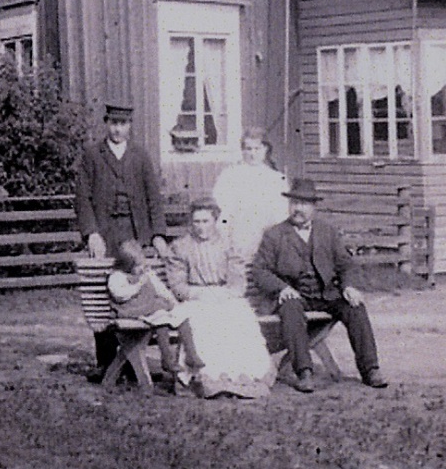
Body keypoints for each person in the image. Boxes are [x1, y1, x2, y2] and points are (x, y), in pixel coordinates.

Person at [251, 178, 388, 393]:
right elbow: (259, 271)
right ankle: (304, 372)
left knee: (355, 307)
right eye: (295, 203)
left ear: (314, 207)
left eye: (304, 204)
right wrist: (282, 288)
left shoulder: (328, 232)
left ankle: (370, 369)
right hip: (293, 294)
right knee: (290, 308)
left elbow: (345, 265)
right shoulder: (275, 235)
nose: (298, 209)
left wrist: (348, 286)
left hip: (326, 295)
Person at [75, 103, 169, 373]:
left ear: (130, 126)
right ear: (106, 124)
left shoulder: (140, 156)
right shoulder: (92, 155)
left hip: (134, 232)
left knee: (136, 286)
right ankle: (106, 362)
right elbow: (82, 198)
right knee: (104, 291)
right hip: (104, 233)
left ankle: (131, 358)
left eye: (123, 123)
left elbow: (153, 198)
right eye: (113, 123)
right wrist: (91, 233)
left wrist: (158, 235)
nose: (118, 129)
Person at [163, 198, 275, 399]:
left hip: (225, 296)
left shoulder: (228, 245)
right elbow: (178, 286)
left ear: (215, 221)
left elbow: (238, 282)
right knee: (204, 322)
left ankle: (241, 378)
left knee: (240, 317)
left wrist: (224, 294)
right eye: (196, 222)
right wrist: (201, 294)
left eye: (206, 221)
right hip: (196, 299)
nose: (201, 227)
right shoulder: (181, 247)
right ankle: (209, 379)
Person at [106, 239, 191, 391]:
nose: (141, 269)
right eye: (137, 266)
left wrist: (172, 301)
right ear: (127, 265)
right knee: (159, 313)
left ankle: (177, 357)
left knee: (167, 315)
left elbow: (160, 289)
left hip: (146, 309)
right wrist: (139, 284)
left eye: (141, 264)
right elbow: (120, 295)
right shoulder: (117, 277)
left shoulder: (146, 273)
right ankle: (167, 359)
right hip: (129, 310)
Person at [211, 128, 287, 263]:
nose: (252, 154)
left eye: (257, 149)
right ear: (242, 150)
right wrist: (225, 241)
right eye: (248, 149)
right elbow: (222, 212)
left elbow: (281, 215)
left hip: (266, 239)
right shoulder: (229, 176)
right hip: (238, 237)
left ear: (266, 149)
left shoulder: (277, 179)